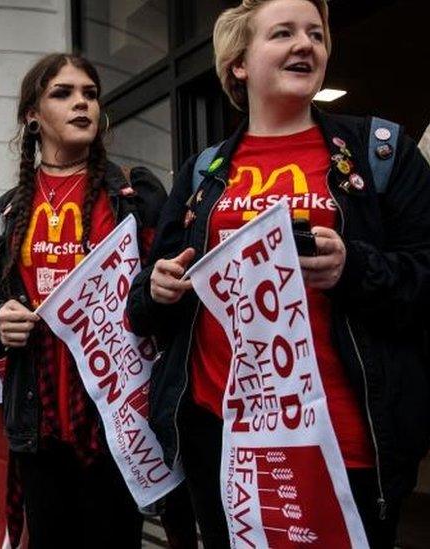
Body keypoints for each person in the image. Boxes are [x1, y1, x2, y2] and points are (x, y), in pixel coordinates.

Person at [127, 1, 430, 547]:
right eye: (283, 33)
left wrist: (353, 266)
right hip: (225, 448)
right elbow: (142, 302)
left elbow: (424, 276)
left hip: (345, 445)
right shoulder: (203, 172)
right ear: (238, 64)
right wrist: (159, 287)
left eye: (316, 33)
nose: (305, 45)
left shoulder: (379, 154)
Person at [0, 53, 167, 547]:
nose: (82, 102)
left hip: (115, 417)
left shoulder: (133, 193)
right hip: (37, 418)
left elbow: (163, 299)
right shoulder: (9, 208)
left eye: (89, 93)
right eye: (63, 93)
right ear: (32, 116)